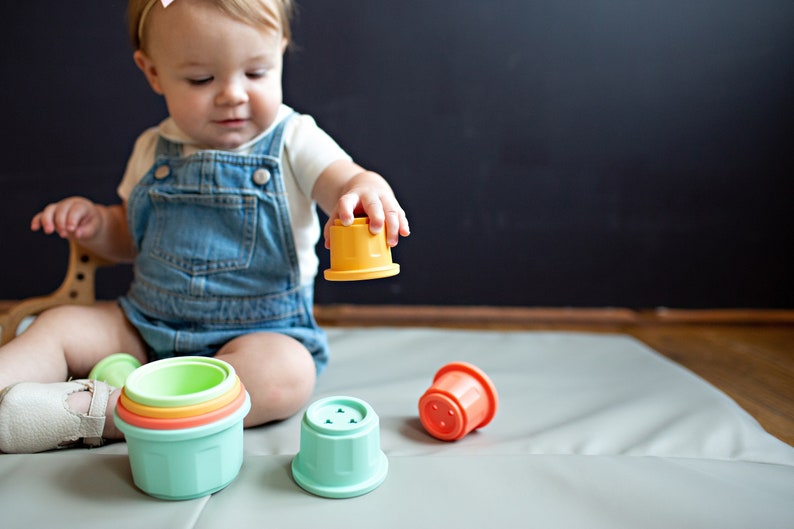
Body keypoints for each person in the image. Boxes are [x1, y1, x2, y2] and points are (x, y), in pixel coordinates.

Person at [0, 0, 409, 453]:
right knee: (59, 326)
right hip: (145, 326)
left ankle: (100, 413)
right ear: (153, 72)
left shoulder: (294, 138)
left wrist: (362, 191)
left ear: (281, 51)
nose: (233, 94)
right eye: (201, 79)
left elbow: (343, 179)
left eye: (256, 73)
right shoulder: (151, 149)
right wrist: (97, 225)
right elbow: (129, 239)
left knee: (284, 378)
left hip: (257, 334)